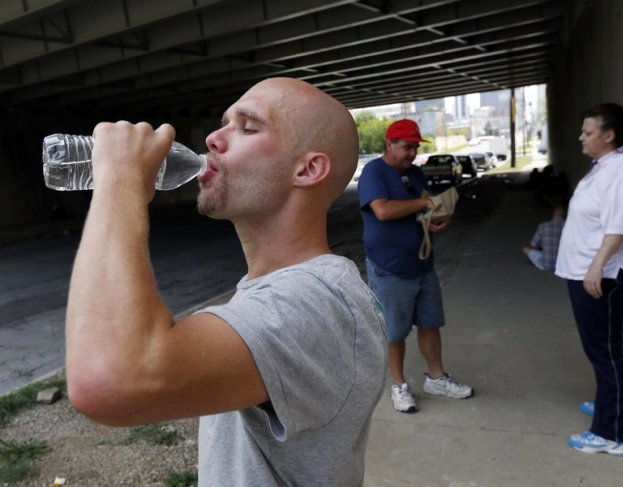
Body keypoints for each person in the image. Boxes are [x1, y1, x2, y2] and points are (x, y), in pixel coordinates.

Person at [64, 77, 388, 485]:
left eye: (247, 127)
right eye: (223, 123)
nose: (214, 138)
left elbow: (109, 379)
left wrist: (120, 181)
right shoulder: (277, 290)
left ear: (307, 169)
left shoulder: (317, 301)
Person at [555, 103, 623, 457]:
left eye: (588, 132)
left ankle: (611, 433)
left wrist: (596, 266)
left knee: (605, 351)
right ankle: (611, 404)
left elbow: (620, 225)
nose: (581, 138)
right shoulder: (611, 166)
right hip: (595, 271)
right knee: (605, 347)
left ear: (609, 135)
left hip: (606, 275)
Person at [358, 119, 473, 414]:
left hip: (422, 263)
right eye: (406, 147)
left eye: (414, 147)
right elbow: (382, 210)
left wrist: (437, 219)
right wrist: (423, 207)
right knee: (394, 332)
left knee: (430, 323)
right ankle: (398, 385)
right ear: (389, 144)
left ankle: (436, 377)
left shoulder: (416, 174)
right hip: (389, 267)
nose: (411, 153)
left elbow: (427, 203)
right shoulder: (374, 172)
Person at [522, 205, 566, 271]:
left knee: (525, 249)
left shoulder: (543, 226)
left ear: (553, 214)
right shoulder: (568, 227)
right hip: (562, 265)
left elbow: (533, 245)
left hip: (545, 264)